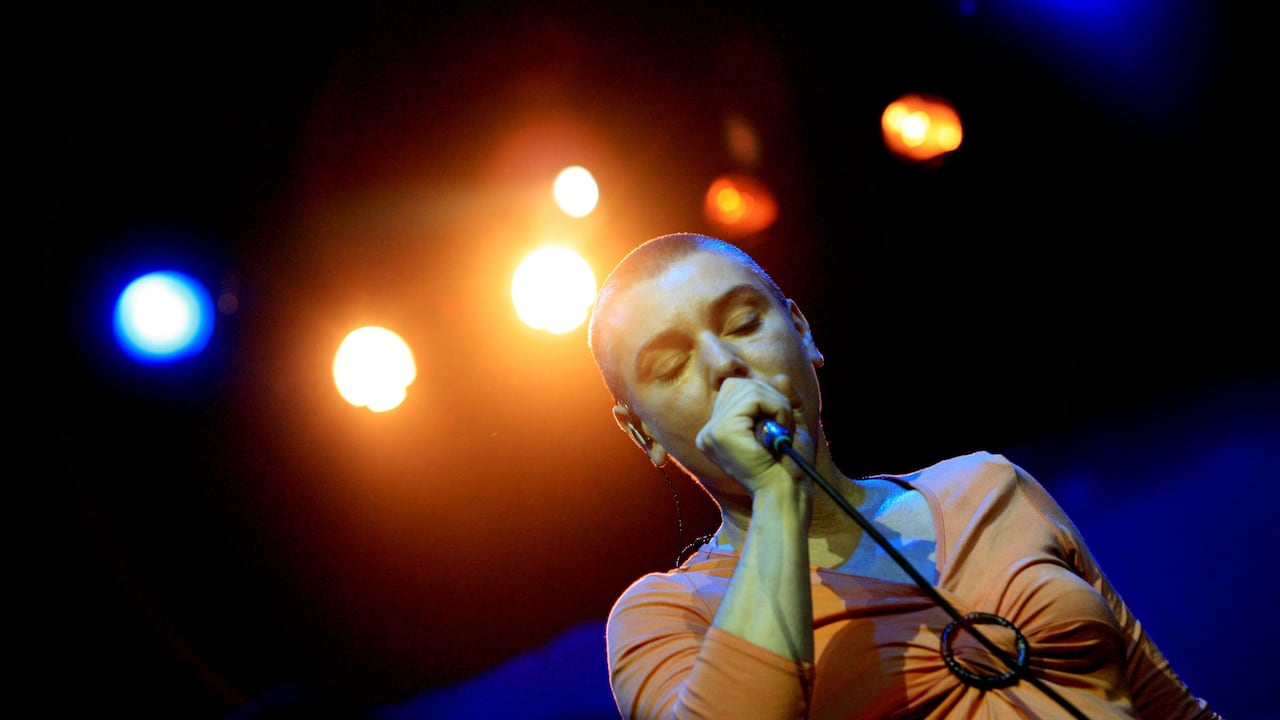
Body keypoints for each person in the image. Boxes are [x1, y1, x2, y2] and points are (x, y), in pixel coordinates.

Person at [585, 232, 1220, 719]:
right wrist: (777, 496)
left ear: (801, 330)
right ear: (641, 431)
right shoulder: (665, 615)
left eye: (744, 323)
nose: (724, 364)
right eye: (670, 365)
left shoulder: (989, 488)